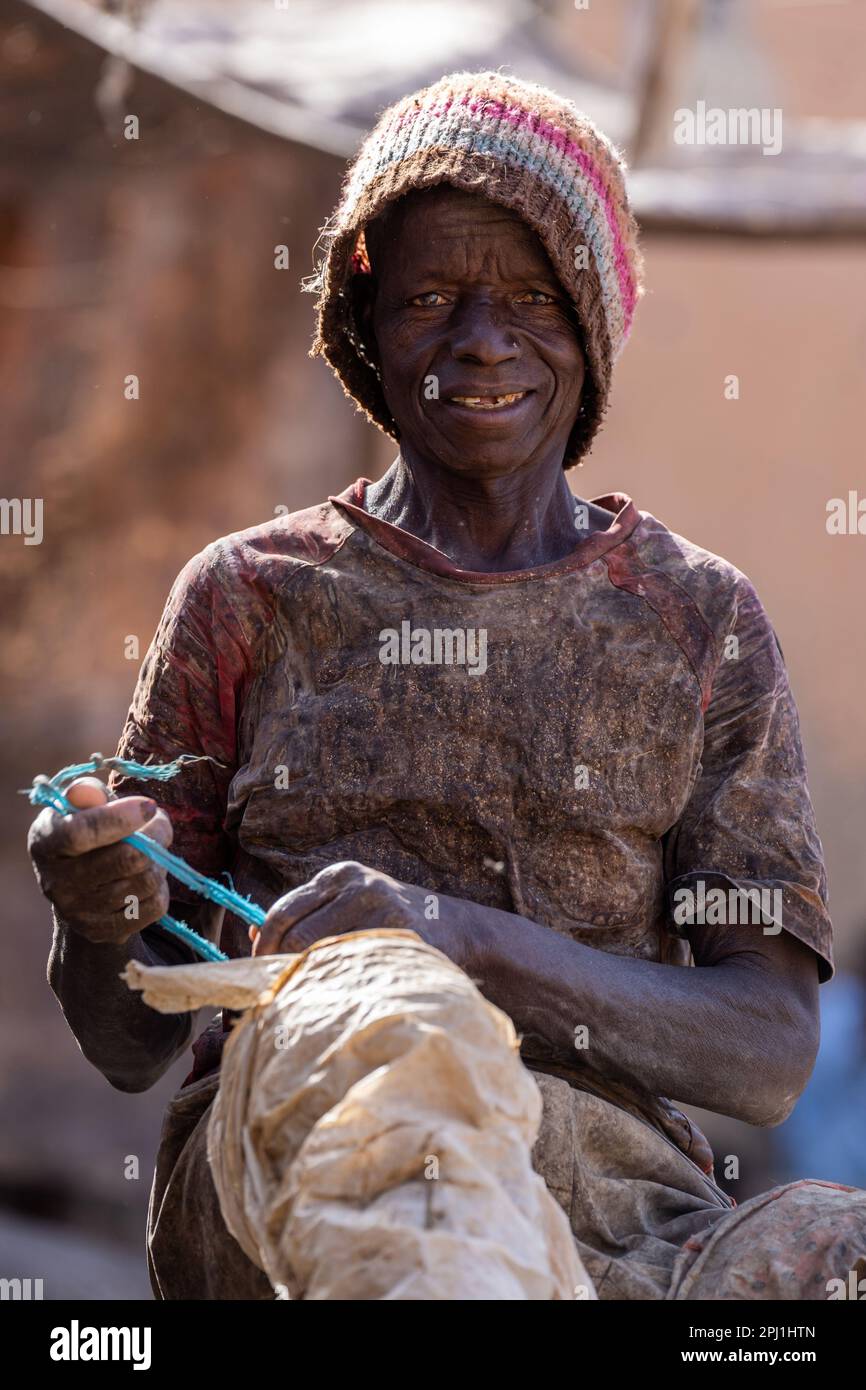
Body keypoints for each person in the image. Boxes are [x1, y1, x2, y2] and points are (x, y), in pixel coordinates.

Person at [29, 70, 866, 1300]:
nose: (482, 339)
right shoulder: (249, 596)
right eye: (429, 297)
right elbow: (127, 1039)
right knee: (420, 1148)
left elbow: (767, 1056)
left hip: (619, 1212)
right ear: (366, 330)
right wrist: (99, 908)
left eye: (531, 298)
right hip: (315, 1156)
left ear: (590, 326)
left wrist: (467, 935)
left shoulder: (699, 620)